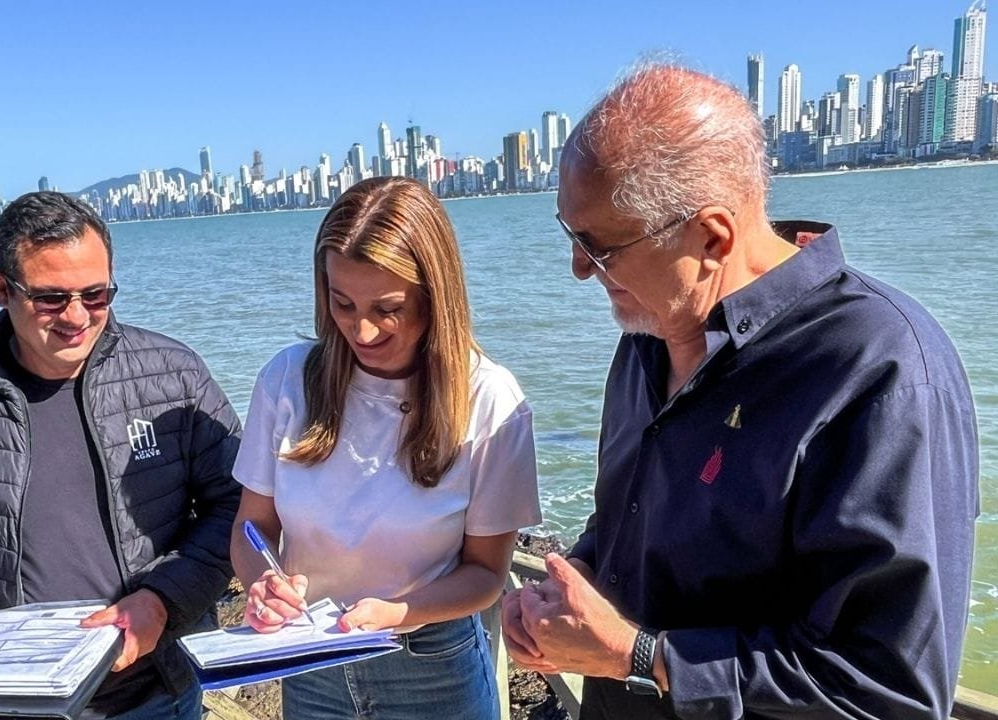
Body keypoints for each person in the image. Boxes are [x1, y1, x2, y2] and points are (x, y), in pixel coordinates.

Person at [500, 63, 980, 719]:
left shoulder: (882, 370)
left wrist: (642, 658)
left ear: (711, 236)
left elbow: (890, 689)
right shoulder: (646, 335)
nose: (580, 269)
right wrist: (574, 580)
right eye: (570, 236)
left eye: (600, 248)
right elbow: (632, 524)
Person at [0, 191, 242, 720]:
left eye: (96, 294)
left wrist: (162, 599)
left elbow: (235, 504)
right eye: (50, 298)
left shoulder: (175, 374)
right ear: (1, 289)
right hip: (10, 694)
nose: (76, 317)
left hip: (156, 689)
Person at [230, 176, 541, 719]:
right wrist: (261, 586)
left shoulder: (490, 399)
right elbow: (250, 527)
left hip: (433, 670)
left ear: (434, 298)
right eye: (342, 303)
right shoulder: (286, 379)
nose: (362, 331)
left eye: (388, 308)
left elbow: (487, 575)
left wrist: (400, 611)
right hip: (310, 664)